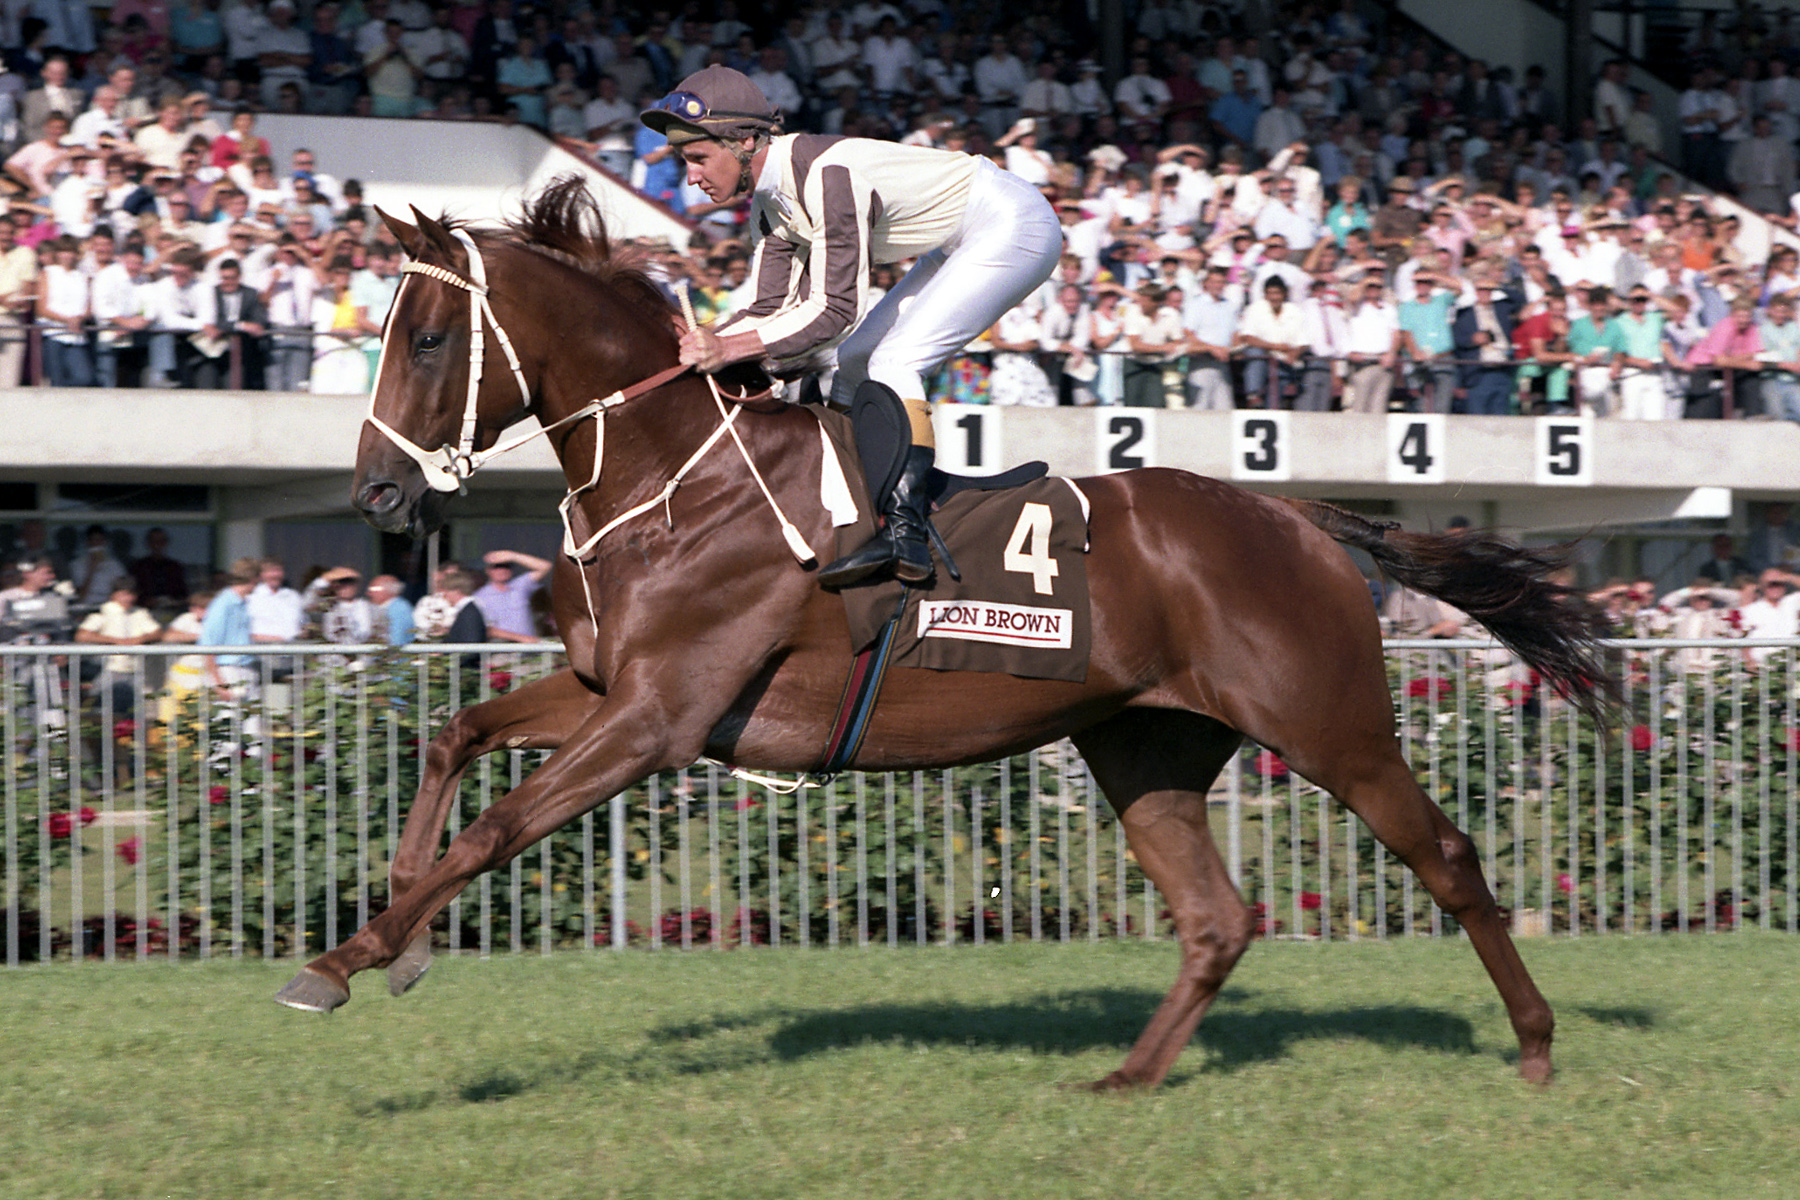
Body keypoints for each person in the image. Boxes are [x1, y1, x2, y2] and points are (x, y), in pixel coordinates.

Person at [639, 65, 1062, 586]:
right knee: (858, 360)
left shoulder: (828, 176)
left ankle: (907, 530)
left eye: (700, 158)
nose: (692, 177)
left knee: (893, 360)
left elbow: (837, 310)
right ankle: (854, 503)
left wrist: (727, 350)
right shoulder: (769, 206)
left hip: (1012, 221)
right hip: (952, 239)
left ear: (746, 140)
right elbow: (768, 310)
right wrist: (701, 339)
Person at [75, 579, 162, 716]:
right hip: (109, 669)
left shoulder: (139, 612)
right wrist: (117, 641)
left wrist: (138, 639)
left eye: (132, 594)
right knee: (104, 713)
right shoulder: (103, 611)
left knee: (135, 714)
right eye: (124, 594)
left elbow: (157, 632)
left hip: (135, 670)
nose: (129, 598)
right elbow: (82, 635)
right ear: (114, 595)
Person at [199, 555, 260, 696]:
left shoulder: (243, 603)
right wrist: (218, 682)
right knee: (228, 716)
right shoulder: (223, 604)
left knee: (253, 717)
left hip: (246, 669)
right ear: (253, 579)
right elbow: (208, 644)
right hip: (228, 671)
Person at [472, 549, 549, 642]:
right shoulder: (480, 596)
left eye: (506, 566)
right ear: (487, 570)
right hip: (503, 650)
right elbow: (488, 629)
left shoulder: (520, 586)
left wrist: (513, 556)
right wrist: (522, 639)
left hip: (530, 649)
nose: (502, 570)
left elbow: (545, 567)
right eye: (497, 567)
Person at [367, 573, 414, 645]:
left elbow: (397, 640)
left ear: (388, 590)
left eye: (374, 588)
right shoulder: (381, 607)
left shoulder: (399, 609)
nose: (369, 593)